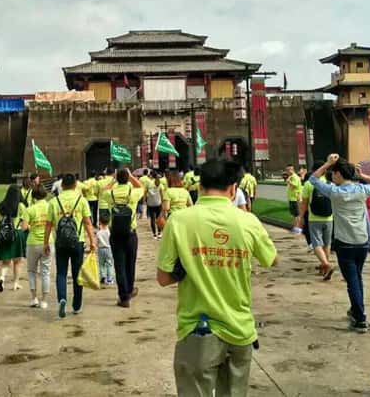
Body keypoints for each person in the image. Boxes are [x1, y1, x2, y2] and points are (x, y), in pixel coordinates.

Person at [156, 158, 278, 397]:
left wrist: (191, 264)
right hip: (239, 328)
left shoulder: (179, 221)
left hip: (197, 330)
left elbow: (163, 278)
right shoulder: (247, 221)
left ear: (200, 186)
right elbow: (271, 259)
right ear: (233, 189)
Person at [308, 154, 370, 333]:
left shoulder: (335, 192)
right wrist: (362, 175)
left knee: (352, 281)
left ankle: (360, 318)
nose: (332, 176)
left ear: (339, 174)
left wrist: (327, 163)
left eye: (333, 173)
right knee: (357, 277)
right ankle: (356, 310)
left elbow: (313, 179)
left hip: (344, 242)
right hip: (362, 241)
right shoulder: (362, 190)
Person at [44, 173, 97, 318]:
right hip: (77, 241)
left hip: (60, 242)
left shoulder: (54, 202)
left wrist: (46, 242)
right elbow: (88, 223)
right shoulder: (81, 200)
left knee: (61, 273)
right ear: (75, 185)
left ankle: (62, 298)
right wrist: (92, 241)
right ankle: (77, 305)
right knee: (77, 274)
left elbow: (48, 225)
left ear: (61, 186)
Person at [105, 168, 144, 308]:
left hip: (115, 233)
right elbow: (141, 187)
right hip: (130, 233)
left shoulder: (111, 194)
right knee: (130, 263)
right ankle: (130, 289)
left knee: (119, 265)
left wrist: (113, 179)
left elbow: (103, 190)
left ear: (117, 178)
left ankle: (124, 297)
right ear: (127, 179)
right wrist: (131, 176)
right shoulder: (132, 193)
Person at [300, 161, 335, 279]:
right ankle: (324, 267)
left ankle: (326, 264)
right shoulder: (330, 184)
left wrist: (301, 217)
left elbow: (304, 203)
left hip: (314, 218)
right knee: (327, 243)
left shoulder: (309, 184)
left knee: (316, 243)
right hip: (329, 218)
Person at [0, 184, 28, 293]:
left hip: (4, 235)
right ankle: (16, 283)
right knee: (17, 262)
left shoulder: (0, 205)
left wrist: (0, 217)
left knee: (5, 261)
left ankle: (2, 278)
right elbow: (25, 220)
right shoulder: (21, 206)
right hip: (17, 234)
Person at [23, 185, 52, 309]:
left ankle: (34, 298)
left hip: (33, 242)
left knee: (31, 271)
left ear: (33, 196)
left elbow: (24, 227)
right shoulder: (50, 207)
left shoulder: (29, 209)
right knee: (45, 272)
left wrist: (33, 226)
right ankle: (44, 300)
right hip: (48, 241)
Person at [145, 170, 164, 239]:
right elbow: (162, 194)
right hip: (158, 203)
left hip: (150, 203)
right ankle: (159, 233)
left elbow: (145, 193)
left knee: (152, 219)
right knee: (159, 218)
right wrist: (162, 202)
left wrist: (145, 201)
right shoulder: (160, 184)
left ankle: (154, 234)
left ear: (151, 176)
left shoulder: (148, 183)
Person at [97, 216, 114, 286]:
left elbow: (97, 241)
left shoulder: (99, 233)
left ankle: (103, 277)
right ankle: (109, 279)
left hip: (100, 249)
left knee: (101, 264)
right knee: (109, 264)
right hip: (108, 249)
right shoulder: (109, 232)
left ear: (100, 222)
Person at [286, 164, 303, 234]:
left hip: (295, 198)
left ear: (292, 170)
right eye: (287, 170)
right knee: (294, 214)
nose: (288, 171)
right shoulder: (291, 177)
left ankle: (298, 228)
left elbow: (294, 185)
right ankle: (295, 228)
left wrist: (289, 181)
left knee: (297, 214)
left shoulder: (294, 177)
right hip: (292, 198)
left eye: (289, 170)